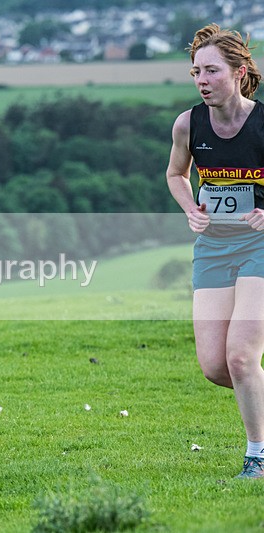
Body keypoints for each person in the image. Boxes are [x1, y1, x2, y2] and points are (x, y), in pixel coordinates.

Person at [166, 23, 264, 479]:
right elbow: (175, 175)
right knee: (216, 366)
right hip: (213, 248)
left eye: (211, 71)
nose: (201, 80)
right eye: (195, 72)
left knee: (242, 357)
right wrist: (190, 208)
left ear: (240, 72)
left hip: (260, 245)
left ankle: (257, 457)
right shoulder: (188, 123)